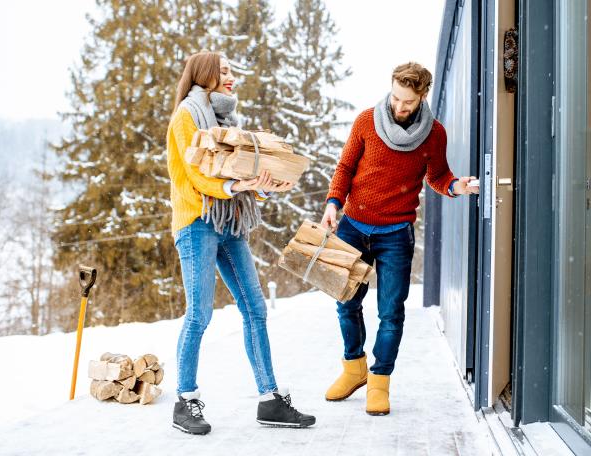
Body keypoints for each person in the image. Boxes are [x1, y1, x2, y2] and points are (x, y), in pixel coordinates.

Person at [166, 50, 315, 435]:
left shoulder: (229, 122)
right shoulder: (186, 116)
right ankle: (185, 401)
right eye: (225, 71)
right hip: (197, 221)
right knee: (199, 314)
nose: (232, 77)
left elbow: (244, 179)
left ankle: (270, 400)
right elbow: (196, 176)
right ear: (205, 76)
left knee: (255, 309)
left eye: (233, 71)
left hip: (230, 223)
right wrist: (237, 185)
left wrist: (264, 187)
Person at [319, 62, 479, 416]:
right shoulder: (366, 122)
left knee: (391, 312)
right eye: (395, 98)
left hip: (395, 233)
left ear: (422, 96)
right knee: (346, 302)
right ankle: (354, 368)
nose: (399, 107)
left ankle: (379, 381)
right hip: (353, 226)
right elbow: (344, 168)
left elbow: (438, 175)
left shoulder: (434, 134)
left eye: (408, 102)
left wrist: (456, 186)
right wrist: (333, 203)